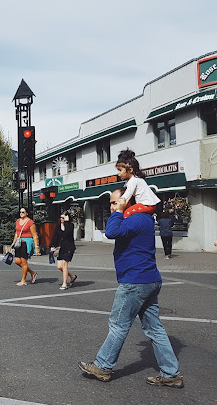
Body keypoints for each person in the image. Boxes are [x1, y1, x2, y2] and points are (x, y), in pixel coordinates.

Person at [79, 187, 184, 388]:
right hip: (148, 279)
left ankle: (103, 366)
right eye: (111, 203)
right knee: (155, 329)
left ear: (128, 200)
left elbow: (111, 232)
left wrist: (118, 212)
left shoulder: (135, 219)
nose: (111, 206)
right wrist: (120, 211)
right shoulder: (142, 218)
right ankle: (171, 373)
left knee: (118, 324)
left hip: (135, 281)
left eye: (114, 202)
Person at [116, 149, 160, 218]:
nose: (118, 174)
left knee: (127, 213)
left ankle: (126, 227)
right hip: (148, 205)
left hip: (146, 204)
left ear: (130, 170)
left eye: (120, 170)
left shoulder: (133, 180)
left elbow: (129, 193)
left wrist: (121, 200)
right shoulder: (136, 179)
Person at [11, 208, 39, 286]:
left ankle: (23, 280)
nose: (21, 213)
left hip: (26, 243)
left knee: (24, 261)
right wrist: (13, 243)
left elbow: (34, 235)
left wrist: (36, 247)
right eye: (20, 212)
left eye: (23, 212)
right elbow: (16, 233)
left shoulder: (30, 222)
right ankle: (32, 272)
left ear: (27, 213)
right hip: (18, 243)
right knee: (17, 261)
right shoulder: (17, 221)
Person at [50, 211, 77, 290]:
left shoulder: (70, 225)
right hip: (60, 248)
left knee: (65, 265)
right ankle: (72, 276)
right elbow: (55, 236)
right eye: (61, 217)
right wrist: (52, 246)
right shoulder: (58, 226)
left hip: (68, 248)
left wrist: (67, 222)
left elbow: (67, 234)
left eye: (63, 217)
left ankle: (64, 284)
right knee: (59, 267)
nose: (61, 219)